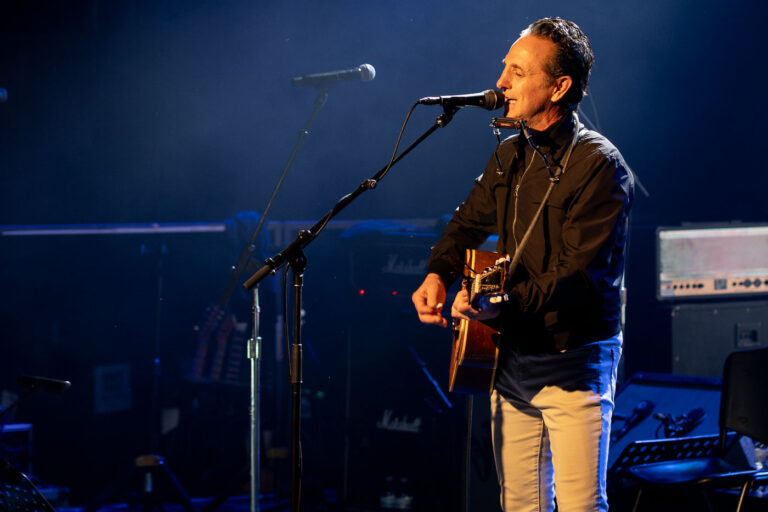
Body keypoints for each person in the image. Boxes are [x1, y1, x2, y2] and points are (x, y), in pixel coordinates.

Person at [411, 17, 634, 512]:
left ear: (559, 87)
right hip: (511, 360)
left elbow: (578, 278)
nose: (501, 83)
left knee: (580, 505)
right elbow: (467, 223)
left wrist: (497, 305)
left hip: (574, 359)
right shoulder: (509, 155)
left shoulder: (600, 166)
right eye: (504, 68)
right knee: (521, 506)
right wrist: (436, 273)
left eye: (517, 71)